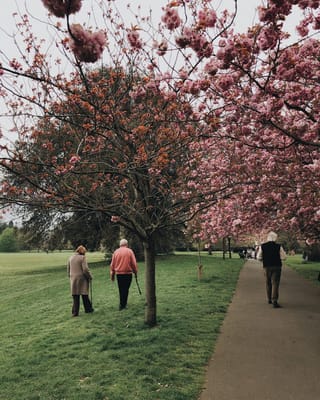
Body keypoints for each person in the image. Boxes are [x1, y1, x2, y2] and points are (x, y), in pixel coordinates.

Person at [257, 231, 286, 308]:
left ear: (268, 238)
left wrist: (264, 260)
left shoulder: (262, 246)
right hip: (276, 266)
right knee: (275, 283)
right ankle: (274, 300)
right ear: (275, 238)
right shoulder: (279, 246)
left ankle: (269, 298)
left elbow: (258, 257)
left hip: (267, 266)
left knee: (268, 282)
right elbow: (284, 257)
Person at [110, 238, 138, 310]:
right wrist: (135, 272)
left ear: (120, 244)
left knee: (121, 289)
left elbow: (112, 265)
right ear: (126, 244)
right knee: (126, 289)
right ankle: (123, 304)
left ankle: (122, 304)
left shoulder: (116, 252)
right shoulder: (129, 251)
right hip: (127, 273)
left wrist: (112, 275)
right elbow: (133, 263)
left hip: (119, 274)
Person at [67, 245, 94, 317]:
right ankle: (88, 309)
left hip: (73, 278)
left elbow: (68, 269)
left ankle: (75, 313)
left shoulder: (71, 257)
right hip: (82, 278)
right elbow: (85, 269)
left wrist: (70, 276)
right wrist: (90, 276)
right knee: (84, 294)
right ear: (83, 252)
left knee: (75, 295)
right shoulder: (82, 258)